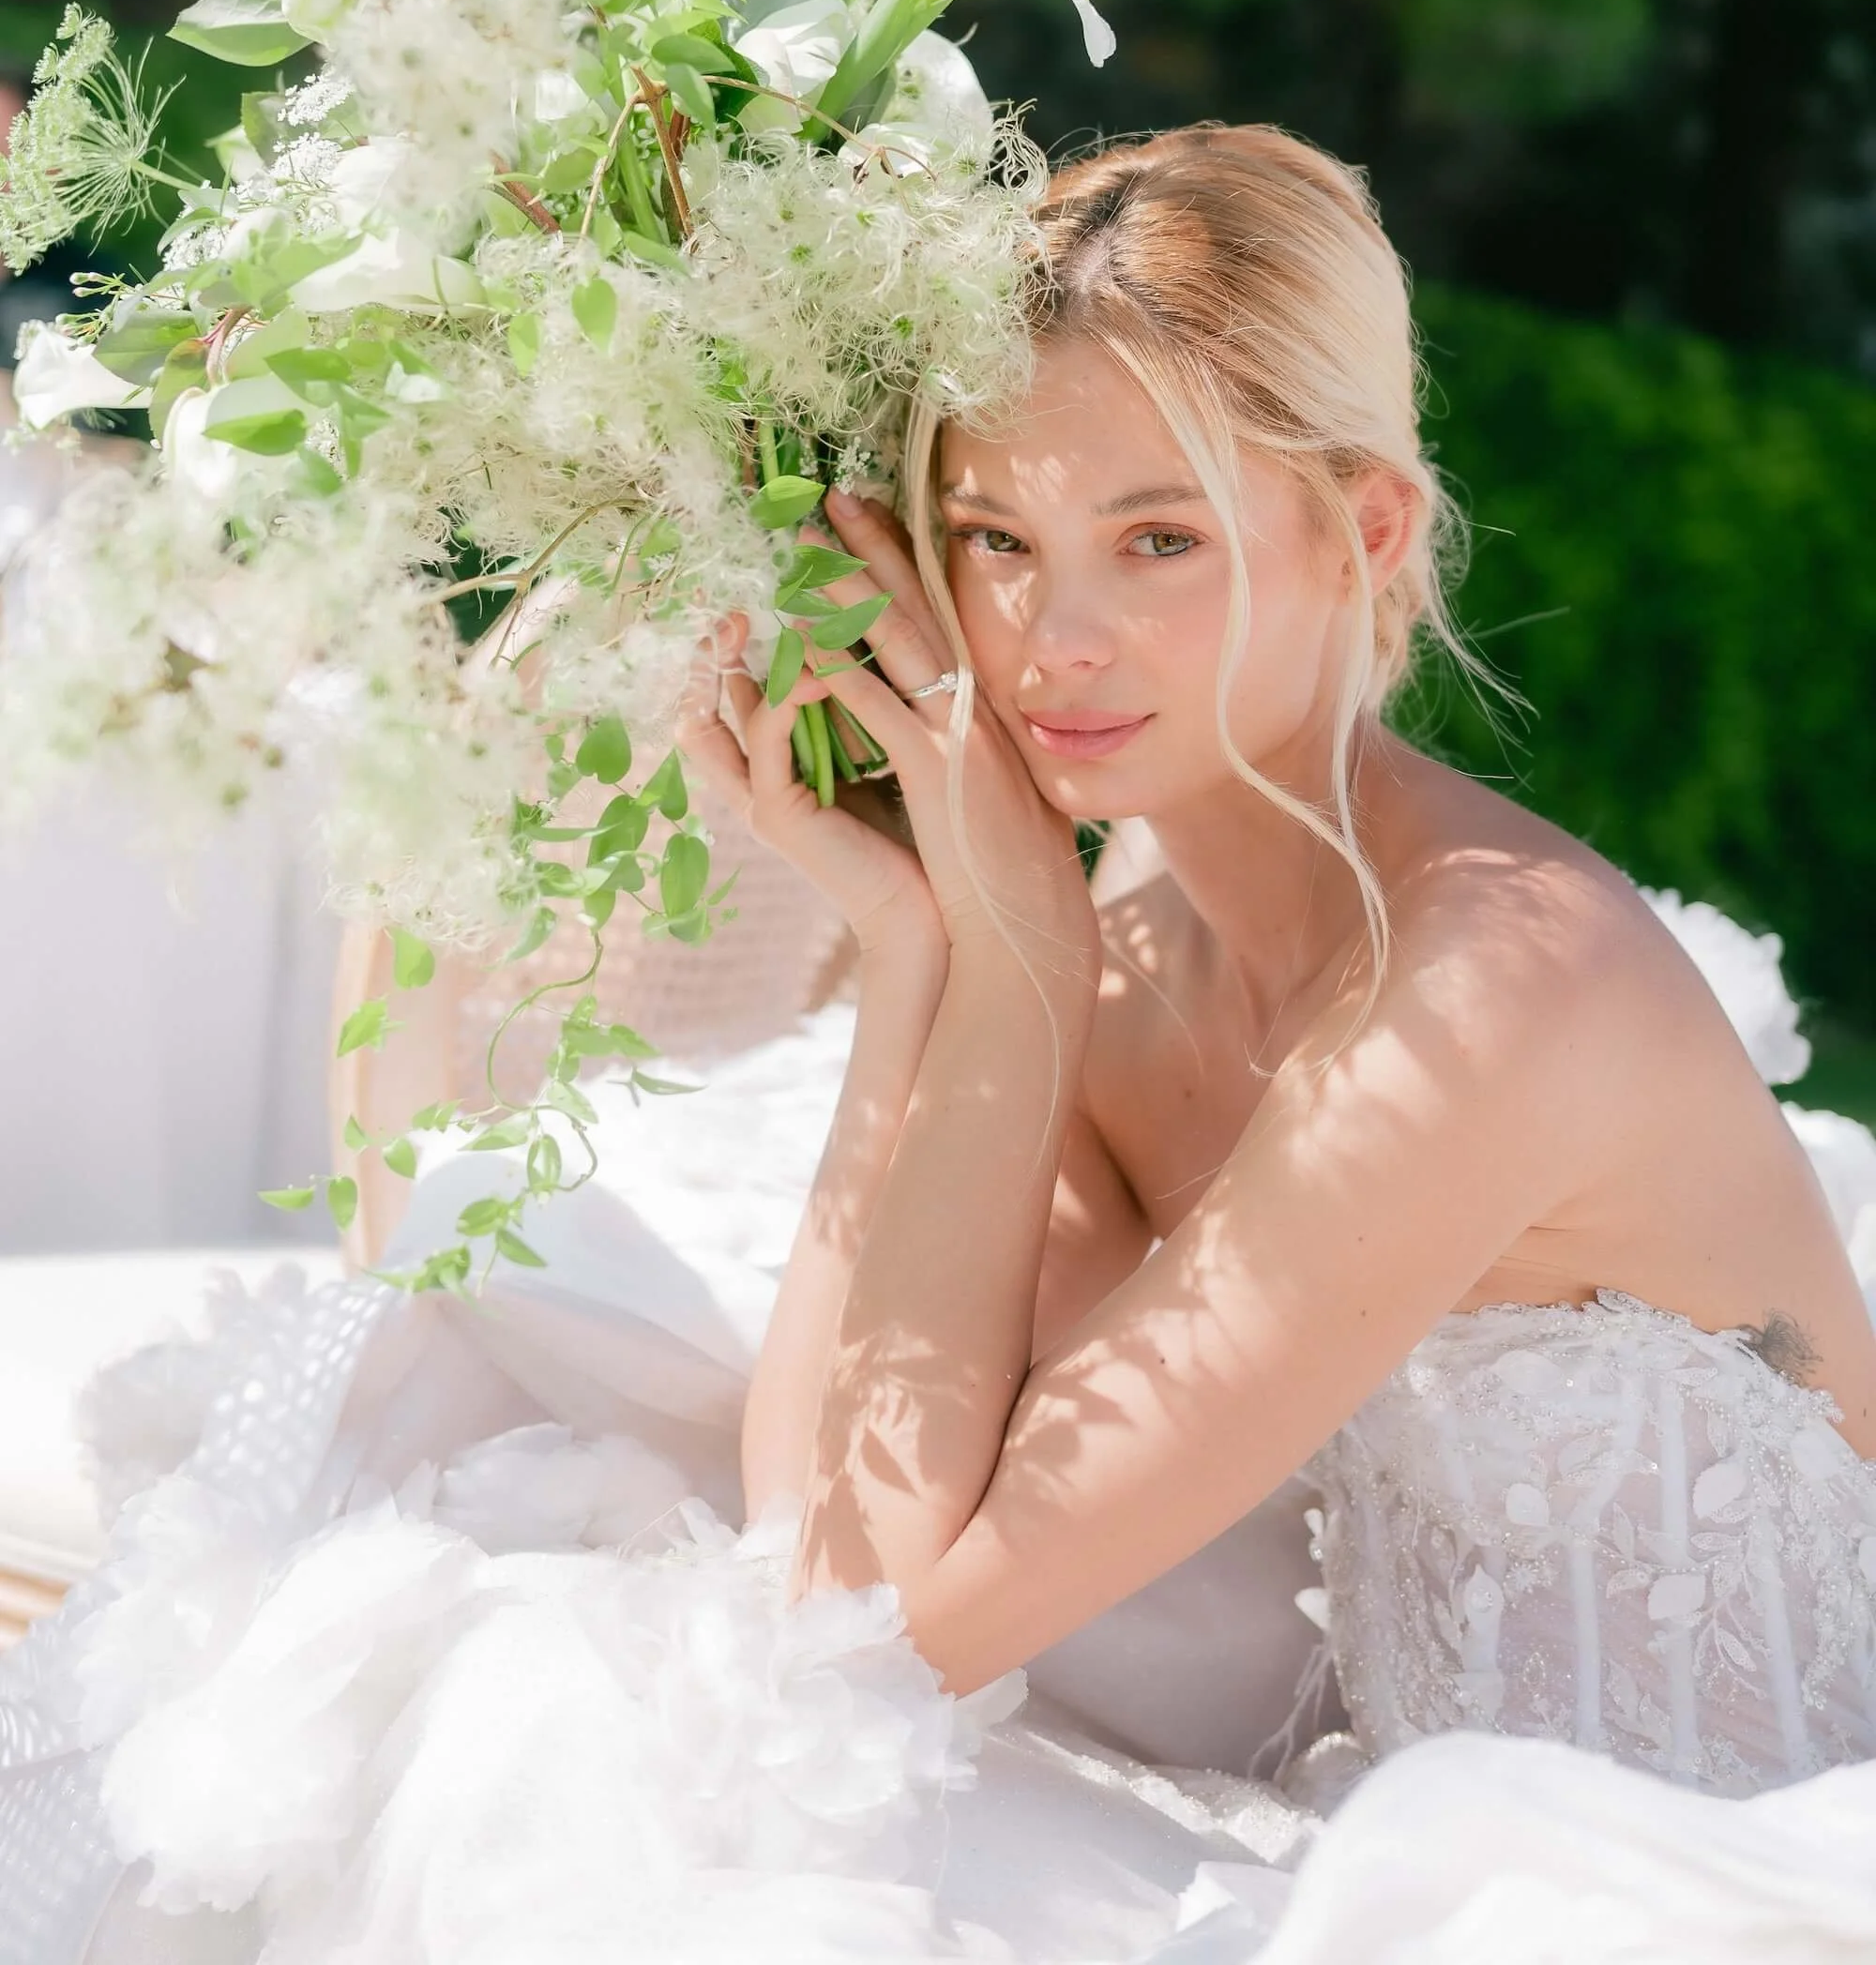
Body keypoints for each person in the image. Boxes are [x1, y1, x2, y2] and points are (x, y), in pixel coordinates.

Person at [6, 123, 1876, 1965]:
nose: (1056, 635)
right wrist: (932, 961)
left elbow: (885, 1635)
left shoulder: (1486, 997)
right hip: (1414, 1839)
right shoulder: (1132, 951)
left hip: (1689, 1889)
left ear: (1361, 531)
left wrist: (1021, 964)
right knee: (581, 1734)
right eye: (994, 537)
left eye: (1158, 539)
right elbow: (825, 1552)